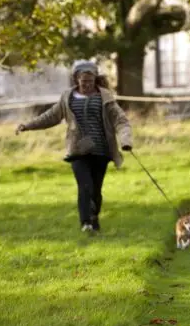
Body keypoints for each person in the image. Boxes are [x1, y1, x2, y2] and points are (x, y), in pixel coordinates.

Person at [16, 60, 133, 233]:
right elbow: (51, 116)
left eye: (90, 81)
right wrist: (28, 125)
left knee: (96, 189)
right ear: (77, 79)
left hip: (101, 150)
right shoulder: (67, 97)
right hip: (77, 149)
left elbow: (121, 121)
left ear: (95, 79)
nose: (86, 84)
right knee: (84, 186)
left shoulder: (105, 97)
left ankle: (94, 217)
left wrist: (126, 141)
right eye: (83, 81)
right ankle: (85, 223)